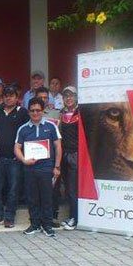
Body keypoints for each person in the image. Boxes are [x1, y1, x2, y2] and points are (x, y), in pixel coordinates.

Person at [14, 97, 62, 238]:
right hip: (30, 169)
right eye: (32, 110)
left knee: (47, 198)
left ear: (42, 111)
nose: (35, 113)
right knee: (32, 198)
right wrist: (24, 160)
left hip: (47, 168)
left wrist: (57, 166)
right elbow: (17, 147)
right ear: (29, 112)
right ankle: (34, 224)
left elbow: (58, 146)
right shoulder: (23, 129)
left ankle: (47, 225)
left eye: (38, 110)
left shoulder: (51, 126)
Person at [0, 85, 29, 228]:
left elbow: (27, 133)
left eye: (11, 95)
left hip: (15, 158)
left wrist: (23, 154)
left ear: (17, 98)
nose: (8, 98)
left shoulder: (23, 112)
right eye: (6, 95)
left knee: (13, 189)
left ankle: (9, 217)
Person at [58, 86, 79, 231]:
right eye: (66, 96)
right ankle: (72, 216)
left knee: (73, 189)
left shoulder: (81, 112)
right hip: (64, 155)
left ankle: (75, 218)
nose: (68, 98)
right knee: (67, 188)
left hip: (76, 155)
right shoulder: (61, 113)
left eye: (71, 95)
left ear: (76, 97)